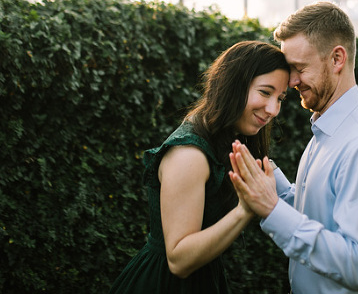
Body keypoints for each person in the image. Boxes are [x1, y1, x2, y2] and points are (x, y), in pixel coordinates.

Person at [229, 2, 358, 294]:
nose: (292, 81)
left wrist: (272, 210)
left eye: (299, 68)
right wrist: (270, 179)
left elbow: (357, 264)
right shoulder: (327, 130)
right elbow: (319, 211)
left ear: (337, 59)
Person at [109, 40, 290, 294]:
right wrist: (246, 209)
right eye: (265, 92)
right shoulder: (189, 154)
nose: (273, 109)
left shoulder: (227, 138)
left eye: (280, 98)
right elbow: (178, 260)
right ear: (233, 86)